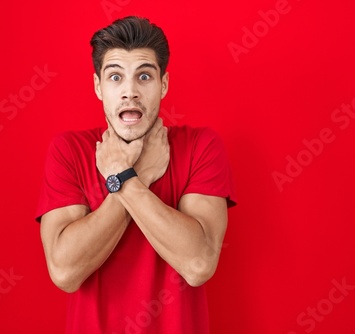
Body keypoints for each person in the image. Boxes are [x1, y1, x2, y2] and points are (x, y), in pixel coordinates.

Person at [36, 16, 236, 333]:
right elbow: (64, 272)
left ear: (164, 84)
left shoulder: (201, 146)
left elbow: (198, 265)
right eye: (115, 77)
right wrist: (137, 175)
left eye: (144, 76)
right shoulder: (69, 151)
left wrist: (124, 179)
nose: (130, 91)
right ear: (98, 87)